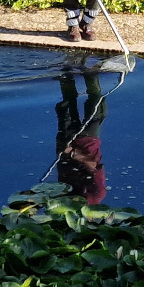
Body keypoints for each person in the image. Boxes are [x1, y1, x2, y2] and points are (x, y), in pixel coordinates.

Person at [54, 66, 107, 204]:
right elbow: (94, 166)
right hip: (88, 141)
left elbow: (61, 168)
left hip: (67, 141)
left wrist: (63, 151)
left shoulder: (65, 201)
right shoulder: (96, 195)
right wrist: (74, 154)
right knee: (96, 103)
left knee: (67, 104)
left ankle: (66, 73)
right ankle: (91, 73)